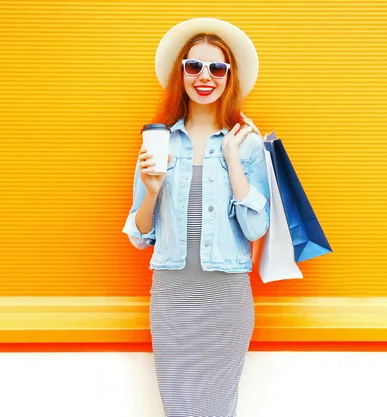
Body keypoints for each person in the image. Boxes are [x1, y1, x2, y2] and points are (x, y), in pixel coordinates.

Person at [122, 17, 270, 417]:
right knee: (180, 407)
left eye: (217, 67)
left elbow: (257, 227)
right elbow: (139, 234)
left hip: (226, 298)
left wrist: (233, 161)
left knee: (217, 407)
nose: (205, 76)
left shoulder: (249, 144)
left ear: (229, 76)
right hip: (173, 298)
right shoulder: (160, 141)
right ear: (181, 73)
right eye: (194, 66)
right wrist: (152, 191)